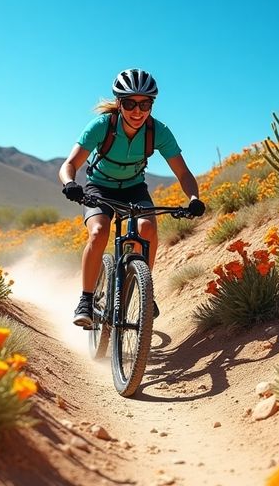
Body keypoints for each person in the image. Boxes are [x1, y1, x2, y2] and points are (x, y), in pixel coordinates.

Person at [58, 68, 205, 328]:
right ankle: (86, 299)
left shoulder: (158, 131)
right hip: (99, 187)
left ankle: (143, 292)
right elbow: (69, 165)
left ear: (151, 105)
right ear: (119, 104)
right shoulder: (102, 126)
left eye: (145, 104)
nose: (137, 111)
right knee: (99, 232)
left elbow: (183, 172)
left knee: (147, 228)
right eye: (129, 104)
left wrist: (194, 197)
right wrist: (71, 184)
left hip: (134, 188)